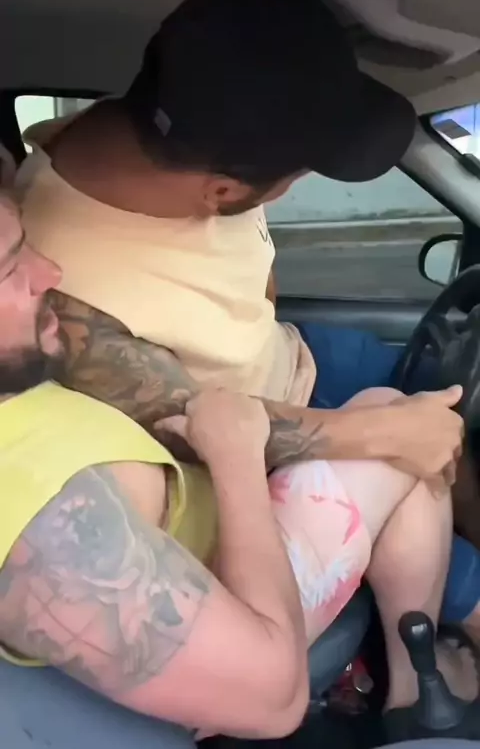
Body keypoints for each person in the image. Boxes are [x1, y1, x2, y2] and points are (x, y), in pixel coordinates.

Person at [14, 0, 477, 626]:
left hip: (290, 359)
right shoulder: (62, 294)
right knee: (437, 471)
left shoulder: (148, 129)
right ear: (222, 193)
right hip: (240, 447)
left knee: (451, 422)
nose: (289, 190)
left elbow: (259, 279)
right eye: (297, 176)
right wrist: (388, 432)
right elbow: (201, 429)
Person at [0, 190, 479, 745]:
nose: (50, 272)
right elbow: (274, 698)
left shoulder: (18, 391)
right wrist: (237, 458)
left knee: (388, 418)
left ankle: (415, 688)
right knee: (394, 434)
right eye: (11, 267)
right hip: (229, 619)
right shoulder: (40, 518)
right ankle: (416, 694)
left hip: (207, 545)